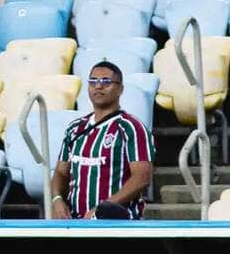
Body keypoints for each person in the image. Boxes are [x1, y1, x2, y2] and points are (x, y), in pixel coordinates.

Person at [50, 61, 155, 220]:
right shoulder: (74, 129)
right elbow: (60, 172)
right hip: (76, 223)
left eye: (106, 81)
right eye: (93, 81)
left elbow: (142, 177)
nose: (98, 86)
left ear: (120, 89)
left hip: (118, 224)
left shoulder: (131, 127)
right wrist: (57, 199)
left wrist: (102, 209)